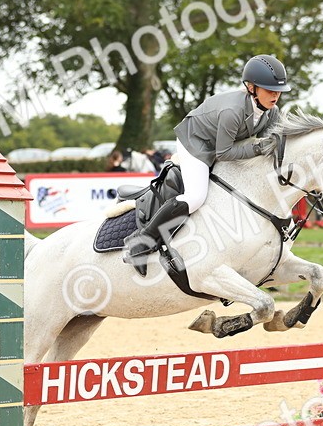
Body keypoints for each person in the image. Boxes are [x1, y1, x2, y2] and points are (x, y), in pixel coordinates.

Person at [124, 54, 290, 274]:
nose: (275, 95)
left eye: (278, 90)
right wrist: (259, 148)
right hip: (196, 142)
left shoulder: (272, 112)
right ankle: (140, 243)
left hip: (221, 143)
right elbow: (224, 153)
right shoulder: (233, 111)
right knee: (196, 197)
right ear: (251, 88)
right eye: (270, 90)